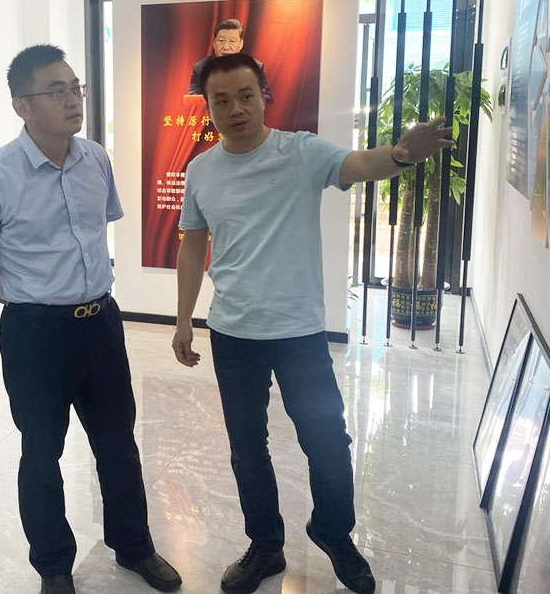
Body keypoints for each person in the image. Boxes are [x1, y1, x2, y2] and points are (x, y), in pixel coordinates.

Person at [172, 53, 453, 594]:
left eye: (245, 95)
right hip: (233, 333)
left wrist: (400, 154)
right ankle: (265, 545)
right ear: (208, 109)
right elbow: (192, 244)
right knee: (247, 447)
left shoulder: (300, 151)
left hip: (298, 332)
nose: (236, 109)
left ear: (263, 95)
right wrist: (184, 320)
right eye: (221, 101)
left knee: (327, 440)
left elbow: (358, 164)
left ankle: (332, 531)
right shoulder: (202, 170)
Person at [0, 45, 181, 594]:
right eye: (55, 91)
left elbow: (98, 228)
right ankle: (53, 566)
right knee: (41, 451)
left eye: (75, 87)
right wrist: (26, 299)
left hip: (100, 323)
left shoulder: (95, 160)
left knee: (117, 443)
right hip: (35, 334)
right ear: (21, 105)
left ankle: (134, 547)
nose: (72, 100)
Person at [187, 19, 271, 99]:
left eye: (232, 41)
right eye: (221, 41)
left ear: (241, 44)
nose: (226, 47)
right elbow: (193, 99)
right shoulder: (200, 68)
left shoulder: (255, 67)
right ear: (214, 44)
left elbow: (266, 98)